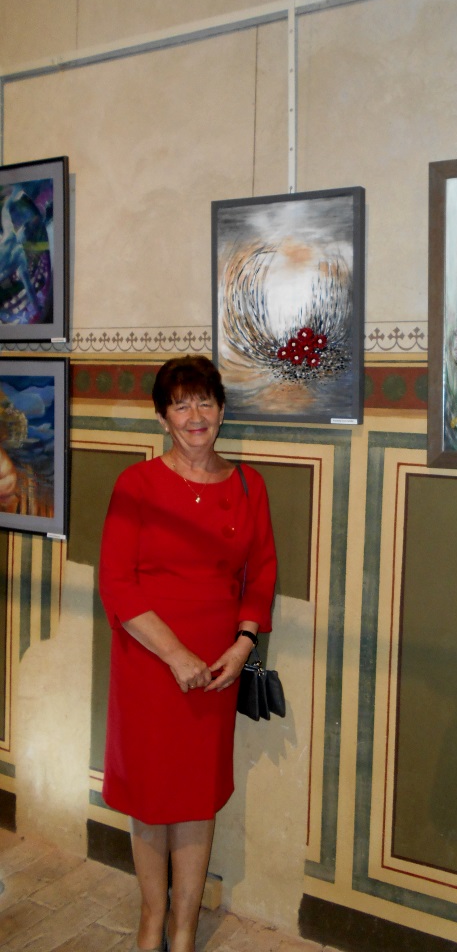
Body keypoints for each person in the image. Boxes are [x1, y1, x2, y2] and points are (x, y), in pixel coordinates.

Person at [99, 355, 277, 952]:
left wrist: (244, 643)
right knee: (151, 797)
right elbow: (117, 582)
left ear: (222, 411)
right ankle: (151, 920)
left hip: (216, 667)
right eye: (180, 404)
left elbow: (261, 574)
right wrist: (174, 654)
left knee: (197, 797)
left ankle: (184, 928)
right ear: (162, 417)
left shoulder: (249, 486)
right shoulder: (137, 484)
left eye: (204, 401)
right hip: (149, 662)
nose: (195, 415)